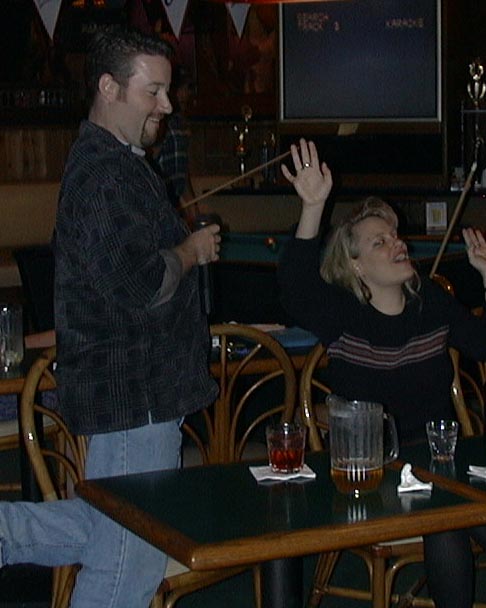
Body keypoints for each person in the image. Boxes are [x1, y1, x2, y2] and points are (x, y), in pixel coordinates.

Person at [0, 25, 221, 607]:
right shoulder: (103, 174)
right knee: (126, 567)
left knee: (112, 530)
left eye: (167, 91)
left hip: (140, 396)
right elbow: (141, 286)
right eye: (154, 91)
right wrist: (189, 252)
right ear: (109, 87)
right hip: (133, 399)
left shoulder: (120, 164)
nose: (167, 105)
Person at [277, 139, 486, 607]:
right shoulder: (342, 312)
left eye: (395, 236)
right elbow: (295, 291)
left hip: (441, 466)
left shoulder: (428, 300)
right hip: (369, 473)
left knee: (446, 513)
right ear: (355, 266)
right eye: (380, 242)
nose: (397, 244)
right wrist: (312, 207)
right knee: (448, 511)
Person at [152, 65, 196, 214]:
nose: (185, 94)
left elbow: (182, 174)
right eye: (180, 89)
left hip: (173, 202)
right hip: (158, 202)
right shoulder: (159, 123)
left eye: (187, 88)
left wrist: (193, 208)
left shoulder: (180, 124)